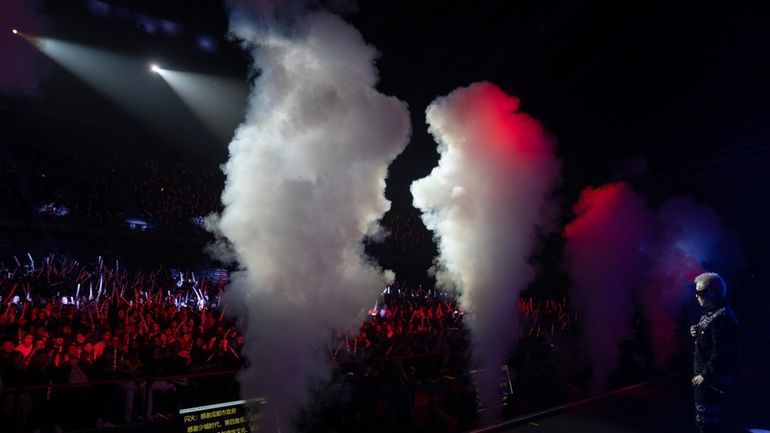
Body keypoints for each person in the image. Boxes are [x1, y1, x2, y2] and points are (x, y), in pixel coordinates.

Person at [689, 272, 740, 433]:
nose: (696, 296)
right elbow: (710, 343)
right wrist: (696, 332)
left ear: (711, 292)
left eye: (699, 292)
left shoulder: (722, 317)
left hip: (712, 381)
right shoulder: (711, 313)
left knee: (707, 425)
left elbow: (722, 352)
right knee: (704, 421)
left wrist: (705, 375)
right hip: (707, 379)